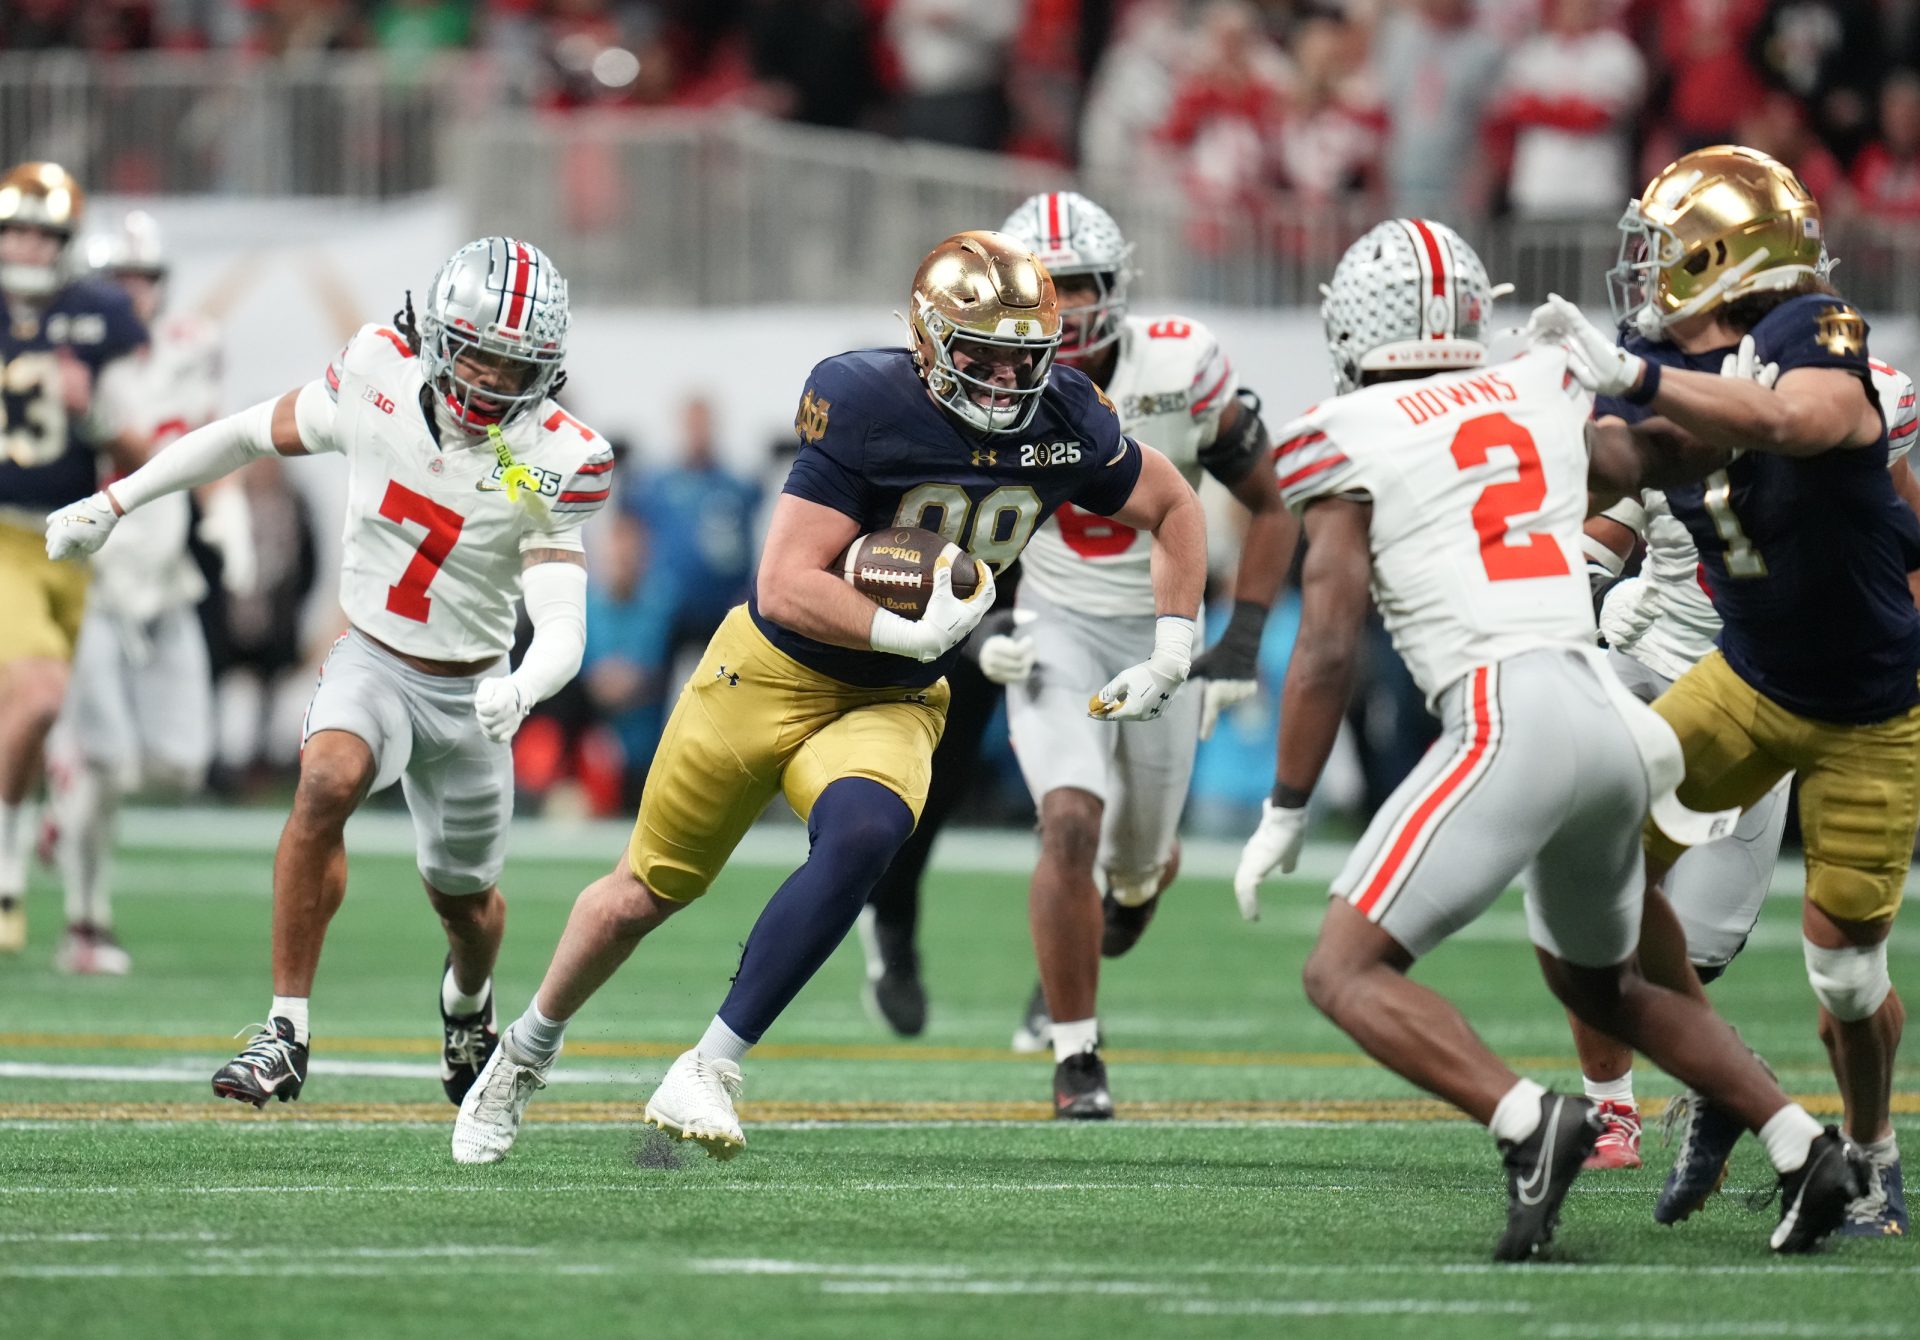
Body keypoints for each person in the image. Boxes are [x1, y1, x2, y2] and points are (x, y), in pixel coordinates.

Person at [452, 229, 1207, 1164]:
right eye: (985, 355)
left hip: (890, 699)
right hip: (767, 673)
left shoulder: (1067, 419)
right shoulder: (868, 402)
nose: (1008, 380)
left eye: (1026, 357)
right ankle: (523, 1054)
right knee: (641, 896)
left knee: (865, 836)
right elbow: (782, 581)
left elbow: (1172, 505)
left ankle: (710, 1066)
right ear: (930, 345)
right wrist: (906, 629)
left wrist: (1175, 642)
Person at [1235, 217, 1865, 1260]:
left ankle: (1529, 1120)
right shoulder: (1533, 384)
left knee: (1342, 972)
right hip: (1607, 720)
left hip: (1507, 715)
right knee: (1608, 983)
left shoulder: (1341, 428)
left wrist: (1288, 803)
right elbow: (1662, 454)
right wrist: (1704, 398)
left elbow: (1329, 639)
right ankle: (1805, 1145)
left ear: (1352, 321)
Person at [47, 237, 610, 1108]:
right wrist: (115, 501)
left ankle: (466, 1004)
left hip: (472, 692)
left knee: (466, 907)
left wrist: (525, 685)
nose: (495, 382)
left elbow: (565, 617)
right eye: (482, 357)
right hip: (375, 660)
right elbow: (240, 436)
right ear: (437, 340)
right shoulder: (377, 378)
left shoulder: (556, 455)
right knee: (325, 780)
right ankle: (285, 1031)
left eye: (515, 366)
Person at [1529, 144, 1920, 1236]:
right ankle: (1730, 1089)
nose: (1646, 273)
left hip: (1870, 709)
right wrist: (1510, 414)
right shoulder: (1657, 354)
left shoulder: (1814, 329)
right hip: (1742, 678)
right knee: (1595, 857)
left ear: (1724, 254)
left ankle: (1872, 1154)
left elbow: (1801, 421)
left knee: (1846, 979)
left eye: (1666, 251)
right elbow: (1622, 464)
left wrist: (1636, 378)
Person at [1566, 350, 1918, 1174]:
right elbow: (1597, 536)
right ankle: (1609, 1111)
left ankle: (1738, 1085)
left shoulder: (1861, 443)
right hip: (1650, 669)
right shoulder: (1685, 408)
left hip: (1787, 698)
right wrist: (1565, 606)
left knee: (1728, 956)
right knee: (1592, 891)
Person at [987, 190, 1296, 1116]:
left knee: (1134, 879)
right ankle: (1078, 1059)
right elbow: (940, 510)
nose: (1064, 310)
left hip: (1164, 630)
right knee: (1069, 821)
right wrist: (985, 622)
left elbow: (1273, 507)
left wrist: (1238, 644)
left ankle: (1071, 965)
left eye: (1077, 286)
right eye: (1043, 290)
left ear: (1115, 287)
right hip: (1055, 624)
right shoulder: (989, 370)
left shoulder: (1180, 365)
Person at [43, 210, 256, 975]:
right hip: (86, 573)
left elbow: (209, 437)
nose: (133, 292)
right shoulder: (55, 350)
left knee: (179, 761)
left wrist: (226, 511)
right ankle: (86, 924)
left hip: (164, 573)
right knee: (104, 764)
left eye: (143, 278)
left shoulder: (190, 344)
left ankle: (58, 799)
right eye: (117, 280)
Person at [0, 162, 149, 956]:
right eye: (15, 230)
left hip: (76, 542)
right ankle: (7, 874)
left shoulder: (97, 314)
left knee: (74, 729)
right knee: (36, 699)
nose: (25, 245)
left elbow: (138, 446)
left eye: (41, 233)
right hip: (3, 539)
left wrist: (90, 417)